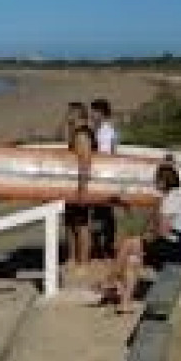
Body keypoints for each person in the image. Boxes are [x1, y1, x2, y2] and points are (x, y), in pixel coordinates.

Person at [106, 163, 181, 314]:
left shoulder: (171, 199)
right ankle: (124, 302)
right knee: (133, 257)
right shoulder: (177, 194)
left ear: (162, 182)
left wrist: (148, 240)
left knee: (130, 244)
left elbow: (162, 230)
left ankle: (111, 281)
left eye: (156, 179)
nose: (154, 182)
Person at [64, 103, 98, 285]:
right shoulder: (77, 133)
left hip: (81, 185)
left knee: (81, 223)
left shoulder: (82, 135)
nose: (67, 117)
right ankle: (73, 258)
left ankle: (83, 263)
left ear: (76, 115)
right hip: (73, 185)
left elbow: (85, 162)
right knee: (70, 222)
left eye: (69, 114)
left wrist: (82, 189)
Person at [90, 99, 119, 257]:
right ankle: (101, 245)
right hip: (98, 174)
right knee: (99, 212)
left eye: (94, 112)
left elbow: (108, 154)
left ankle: (106, 245)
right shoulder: (98, 130)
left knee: (104, 212)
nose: (92, 115)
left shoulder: (107, 131)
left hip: (103, 175)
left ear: (101, 113)